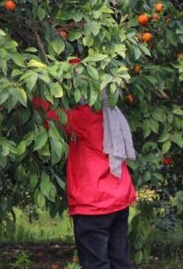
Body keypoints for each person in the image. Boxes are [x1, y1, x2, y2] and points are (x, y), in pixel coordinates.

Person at [33, 96, 137, 269]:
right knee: (120, 261)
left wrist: (37, 94)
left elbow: (49, 116)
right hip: (118, 200)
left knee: (95, 264)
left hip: (94, 205)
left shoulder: (85, 117)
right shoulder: (110, 112)